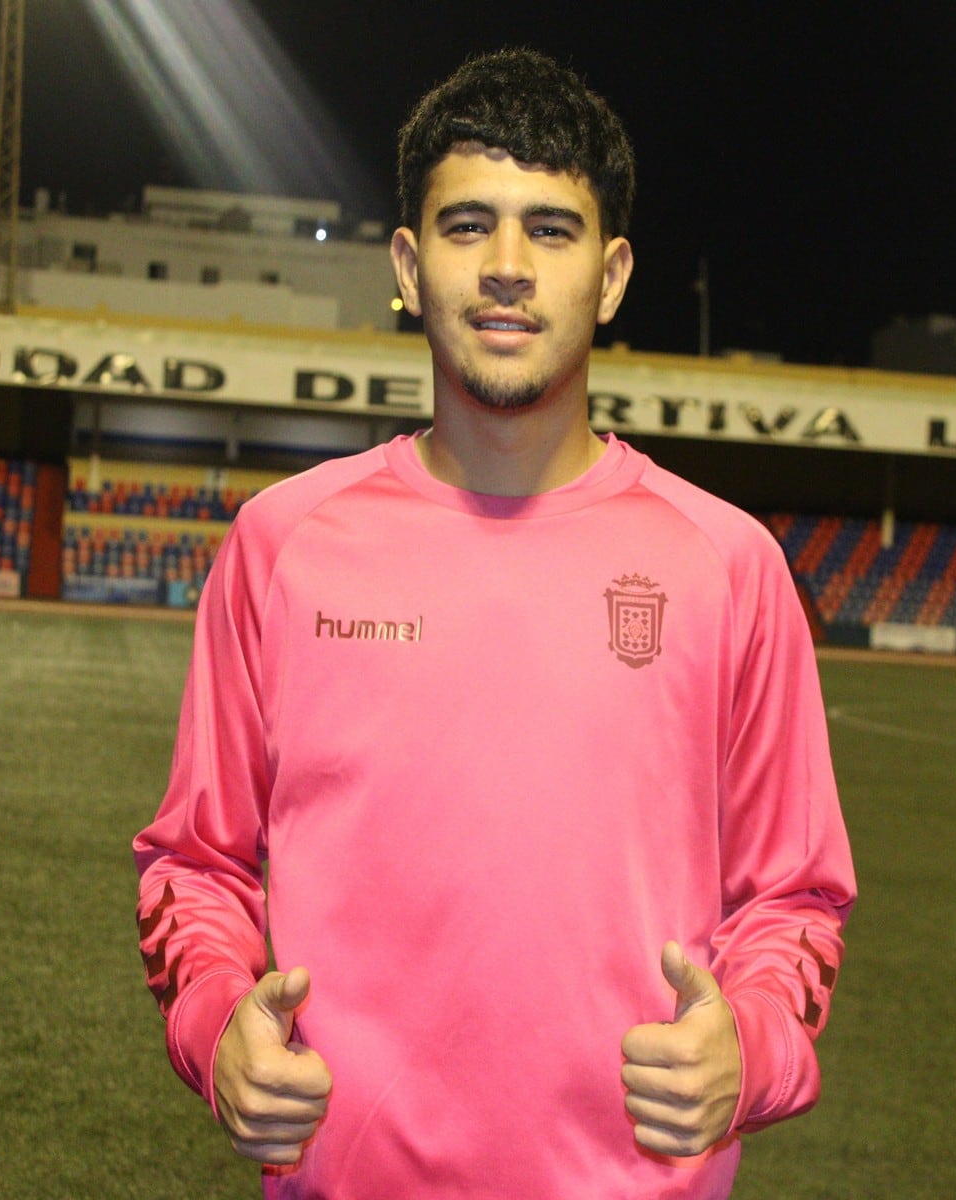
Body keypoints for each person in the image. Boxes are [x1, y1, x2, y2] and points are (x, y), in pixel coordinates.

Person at [134, 47, 855, 1199]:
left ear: (611, 276)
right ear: (410, 268)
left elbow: (794, 896)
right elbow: (196, 863)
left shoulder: (728, 565)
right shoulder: (283, 545)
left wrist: (752, 1047)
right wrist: (217, 1026)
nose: (509, 267)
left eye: (552, 231)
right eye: (469, 227)